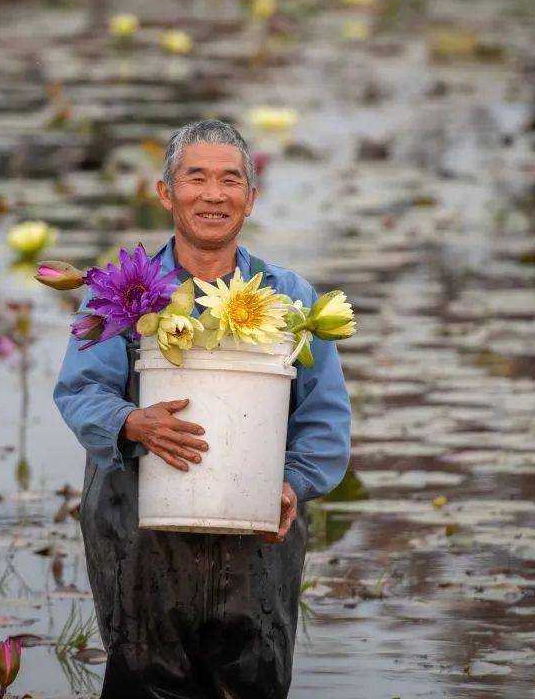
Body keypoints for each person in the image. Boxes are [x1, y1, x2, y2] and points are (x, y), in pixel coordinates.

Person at [53, 119, 351, 698]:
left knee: (251, 685)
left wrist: (291, 483)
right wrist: (130, 421)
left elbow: (324, 419)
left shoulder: (291, 298)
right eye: (196, 178)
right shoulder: (120, 290)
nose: (214, 195)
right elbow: (80, 391)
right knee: (143, 684)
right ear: (166, 193)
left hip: (257, 537)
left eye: (230, 181)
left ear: (251, 199)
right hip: (138, 535)